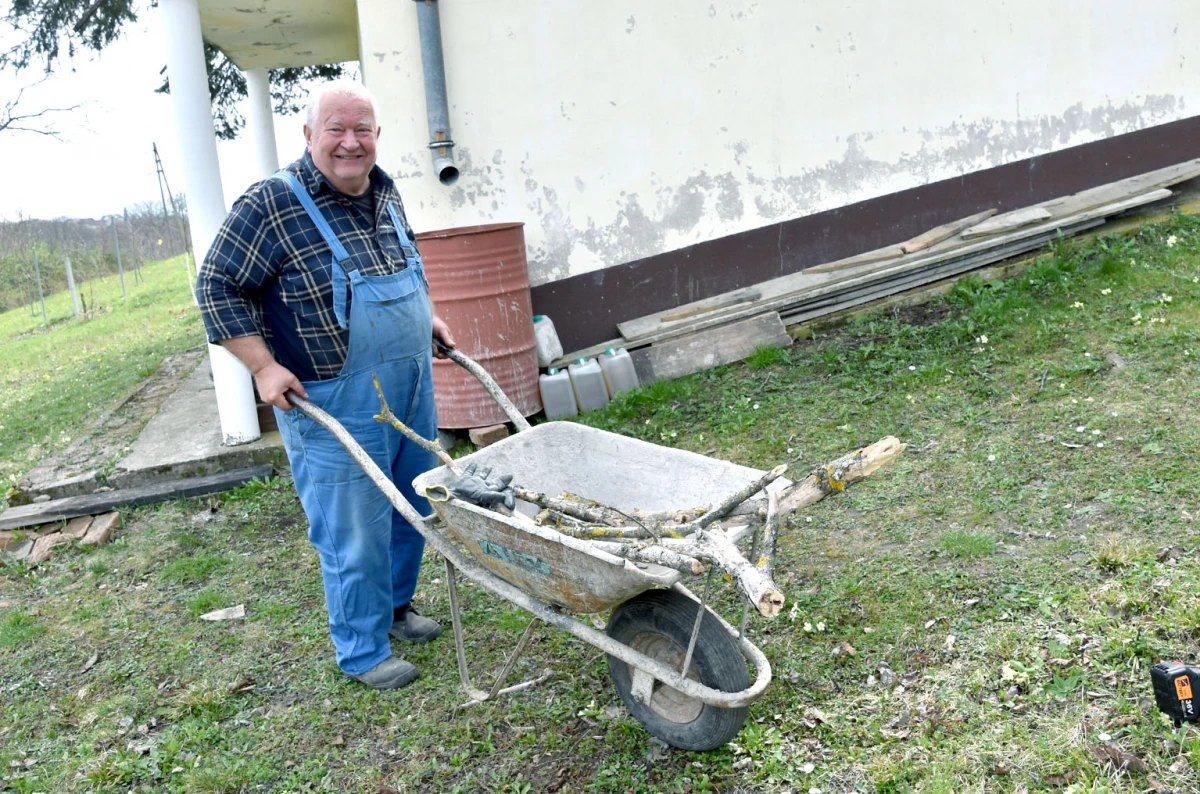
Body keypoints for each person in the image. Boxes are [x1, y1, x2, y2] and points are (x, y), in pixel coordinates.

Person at [196, 80, 453, 690]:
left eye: (361, 128)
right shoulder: (271, 204)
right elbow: (216, 286)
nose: (349, 142)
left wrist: (429, 315)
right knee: (353, 525)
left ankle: (395, 608)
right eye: (334, 128)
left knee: (413, 500)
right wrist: (262, 366)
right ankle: (362, 650)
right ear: (307, 135)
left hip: (411, 382)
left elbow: (403, 264)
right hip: (332, 398)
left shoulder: (386, 194)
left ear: (377, 136)